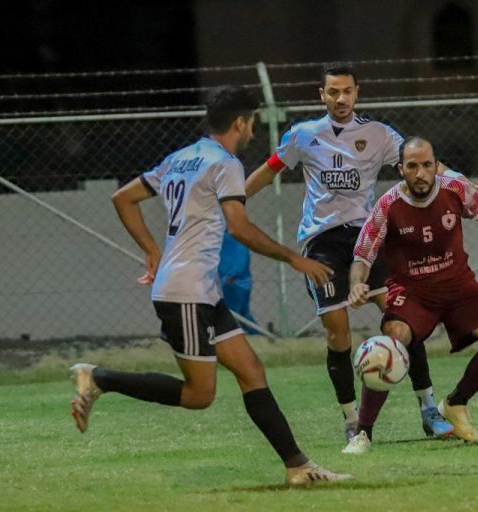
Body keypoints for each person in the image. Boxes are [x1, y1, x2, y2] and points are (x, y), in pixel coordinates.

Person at [69, 85, 352, 485]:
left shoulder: (180, 158)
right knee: (199, 395)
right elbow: (238, 227)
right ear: (240, 122)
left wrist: (152, 250)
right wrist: (295, 258)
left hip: (199, 290)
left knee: (251, 370)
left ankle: (298, 467)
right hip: (185, 293)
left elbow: (123, 198)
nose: (252, 129)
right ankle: (99, 378)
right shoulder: (225, 162)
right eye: (252, 122)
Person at [246, 63, 455, 444]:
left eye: (347, 91)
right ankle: (351, 418)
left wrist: (455, 181)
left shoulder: (379, 134)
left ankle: (428, 409)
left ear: (357, 93)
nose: (341, 98)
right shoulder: (303, 135)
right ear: (321, 95)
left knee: (402, 319)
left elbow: (420, 163)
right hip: (321, 243)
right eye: (333, 92)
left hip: (367, 237)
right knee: (337, 329)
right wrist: (232, 200)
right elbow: (270, 168)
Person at [345, 137, 478, 452]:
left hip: (458, 286)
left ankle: (455, 403)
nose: (420, 173)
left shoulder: (456, 190)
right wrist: (357, 284)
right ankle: (362, 433)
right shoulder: (387, 205)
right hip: (413, 291)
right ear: (401, 169)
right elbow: (362, 256)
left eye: (426, 165)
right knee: (391, 341)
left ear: (436, 166)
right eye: (412, 166)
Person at [218, 231, 259, 333]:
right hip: (235, 280)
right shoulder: (229, 233)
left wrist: (233, 274)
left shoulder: (232, 233)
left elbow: (242, 254)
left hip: (234, 281)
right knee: (242, 314)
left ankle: (255, 334)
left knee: (234, 314)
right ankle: (259, 334)